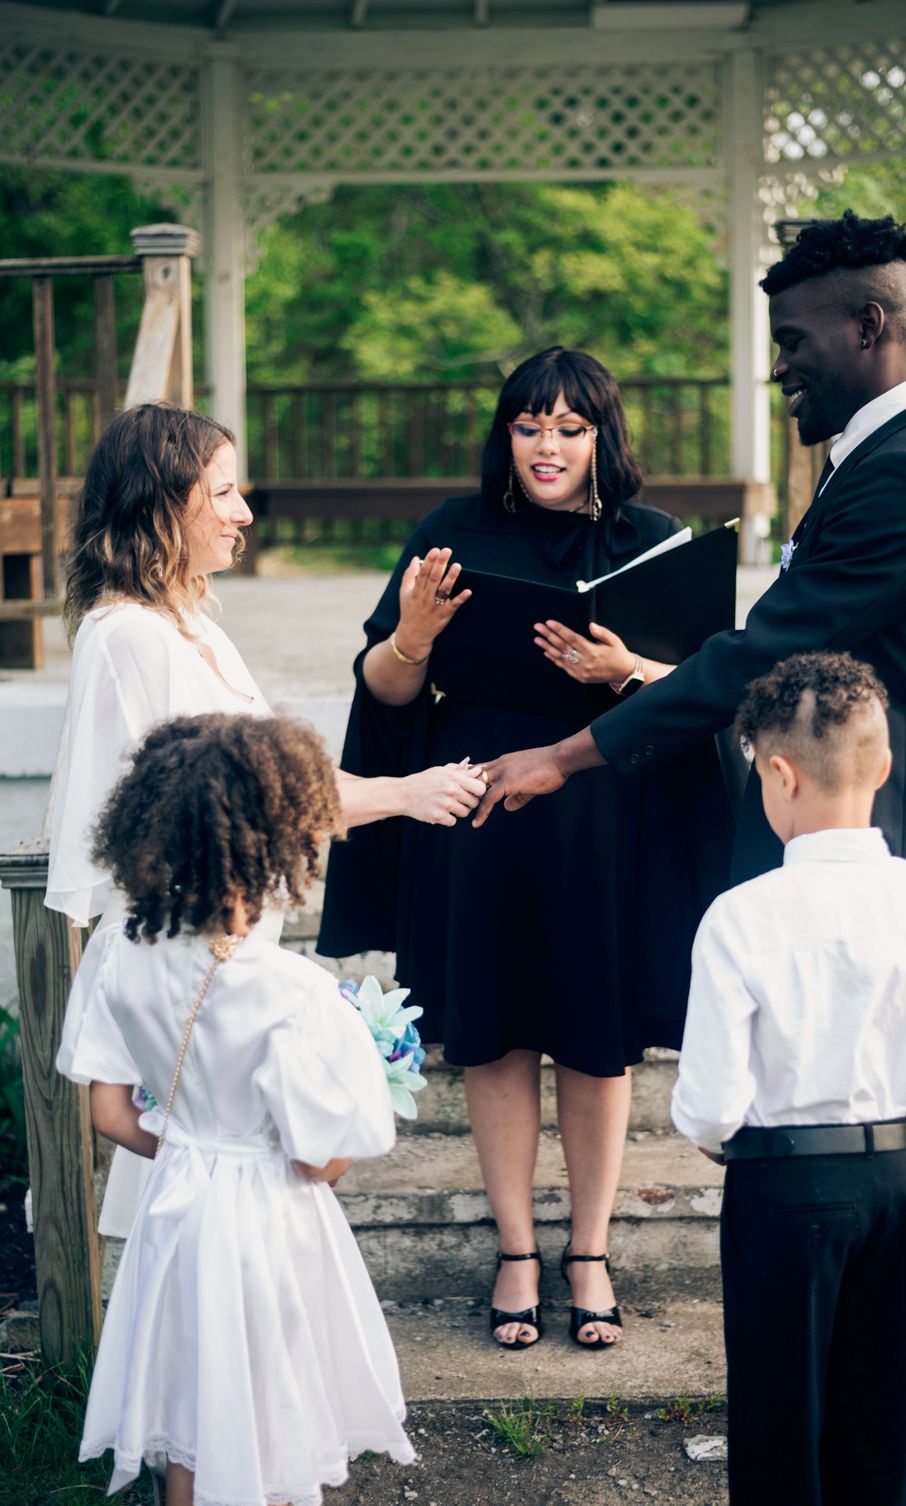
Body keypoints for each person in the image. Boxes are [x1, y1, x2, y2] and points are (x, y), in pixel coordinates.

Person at [473, 214, 906, 1506]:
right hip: (883, 838)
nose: (783, 370)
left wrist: (570, 751)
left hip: (881, 847)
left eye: (796, 341)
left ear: (872, 326)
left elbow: (768, 649)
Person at [317, 346, 733, 1349]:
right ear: (505, 436)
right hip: (478, 805)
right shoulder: (449, 533)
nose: (547, 445)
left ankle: (587, 1249)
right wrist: (409, 637)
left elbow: (707, 691)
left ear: (603, 438)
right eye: (529, 425)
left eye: (569, 427)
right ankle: (514, 1249)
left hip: (600, 806)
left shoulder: (653, 539)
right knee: (492, 1033)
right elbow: (386, 695)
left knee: (595, 1039)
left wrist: (624, 664)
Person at [46, 404, 484, 1237]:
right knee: (210, 1189)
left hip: (233, 933)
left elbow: (273, 781)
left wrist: (414, 786)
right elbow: (213, 800)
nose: (244, 511)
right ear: (160, 504)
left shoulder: (195, 626)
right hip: (190, 947)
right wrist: (404, 792)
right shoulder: (127, 638)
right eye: (223, 491)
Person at [56, 712, 415, 1506]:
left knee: (189, 1439)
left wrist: (189, 1144)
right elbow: (326, 1157)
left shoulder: (118, 949)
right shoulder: (293, 990)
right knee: (255, 1456)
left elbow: (107, 1109)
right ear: (280, 843)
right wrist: (250, 1152)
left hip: (174, 1209)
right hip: (265, 1228)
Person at [672, 651, 906, 1506]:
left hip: (779, 1185)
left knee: (778, 1416)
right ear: (882, 768)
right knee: (876, 1409)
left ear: (778, 774)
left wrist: (746, 1134)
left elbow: (709, 1105)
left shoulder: (739, 916)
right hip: (894, 1177)